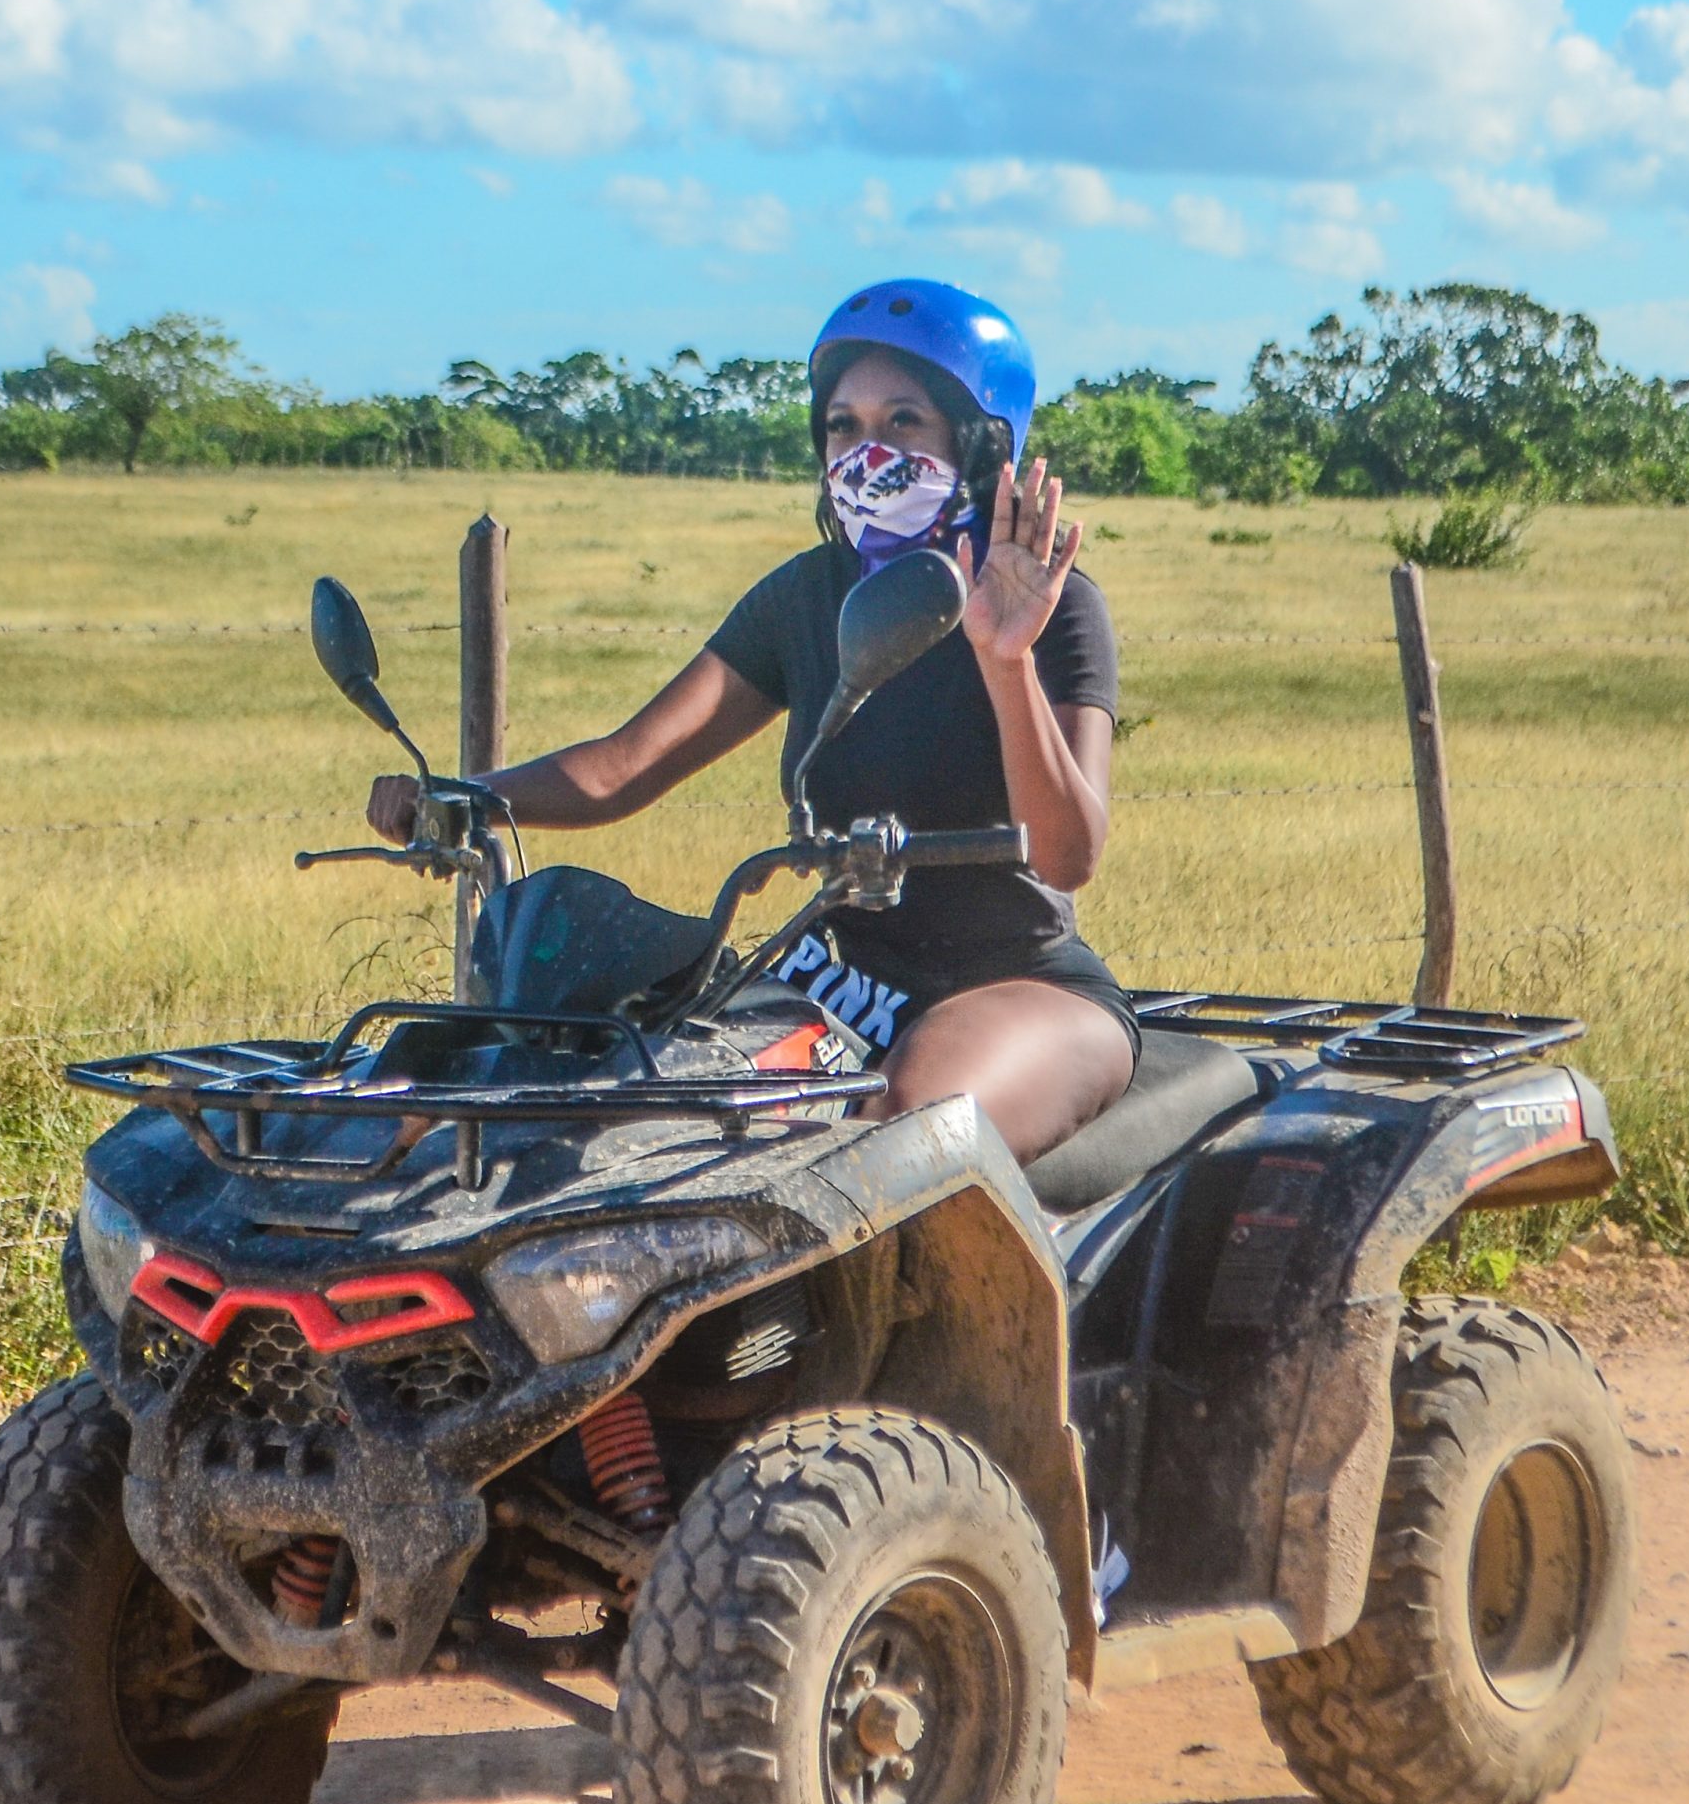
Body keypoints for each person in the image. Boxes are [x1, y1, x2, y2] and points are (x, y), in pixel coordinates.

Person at [367, 278, 1135, 1166]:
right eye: (842, 426)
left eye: (904, 422)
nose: (865, 451)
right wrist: (458, 799)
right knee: (618, 1089)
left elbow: (1068, 853)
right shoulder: (809, 598)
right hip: (833, 979)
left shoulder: (1058, 608)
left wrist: (1005, 661)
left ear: (978, 442)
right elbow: (626, 764)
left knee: (903, 1127)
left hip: (1019, 982)